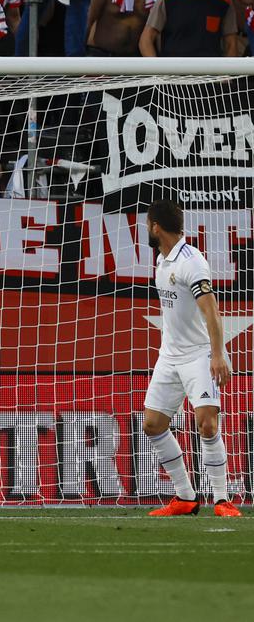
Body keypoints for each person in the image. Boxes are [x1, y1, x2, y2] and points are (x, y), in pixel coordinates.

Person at [138, 200, 240, 518]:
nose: (146, 229)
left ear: (156, 227)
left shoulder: (191, 262)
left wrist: (218, 355)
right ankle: (185, 497)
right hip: (169, 355)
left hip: (198, 355)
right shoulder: (161, 259)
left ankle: (222, 500)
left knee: (207, 424)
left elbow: (211, 311)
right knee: (153, 424)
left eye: (147, 224)